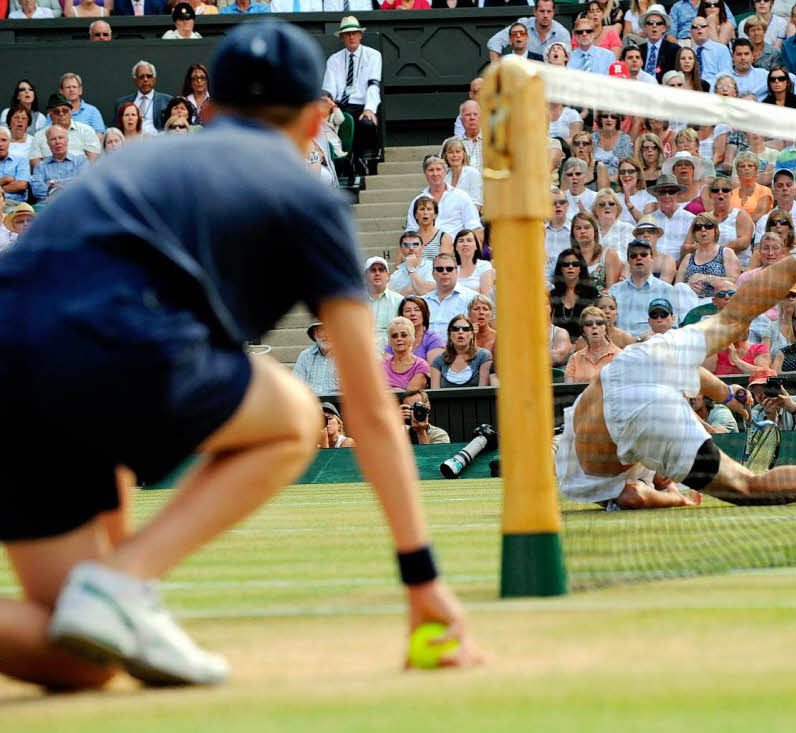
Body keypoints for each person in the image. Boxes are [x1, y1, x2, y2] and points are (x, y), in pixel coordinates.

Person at [0, 21, 484, 690]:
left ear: (206, 109)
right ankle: (118, 583)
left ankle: (117, 589)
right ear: (319, 122)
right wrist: (423, 580)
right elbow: (370, 408)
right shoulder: (309, 198)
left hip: (16, 378)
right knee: (293, 411)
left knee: (78, 657)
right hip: (105, 359)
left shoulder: (126, 161)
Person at [555, 207, 796, 510]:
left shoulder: (584, 481)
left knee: (747, 488)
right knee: (734, 314)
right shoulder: (585, 418)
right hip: (638, 360)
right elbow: (678, 376)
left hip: (635, 414)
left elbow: (636, 494)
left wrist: (675, 500)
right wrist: (726, 395)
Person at [322, 16, 382, 175]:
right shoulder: (334, 60)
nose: (351, 37)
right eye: (347, 34)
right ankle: (347, 160)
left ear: (360, 35)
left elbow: (373, 86)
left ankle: (357, 158)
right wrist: (328, 102)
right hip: (341, 106)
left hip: (362, 104)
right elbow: (329, 89)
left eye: (355, 33)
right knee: (335, 121)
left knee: (366, 123)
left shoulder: (373, 55)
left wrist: (369, 109)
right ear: (342, 37)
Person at [608, 238, 680, 336]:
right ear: (628, 261)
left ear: (652, 258)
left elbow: (673, 327)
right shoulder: (614, 290)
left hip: (653, 344)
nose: (638, 258)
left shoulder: (667, 290)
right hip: (621, 345)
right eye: (633, 256)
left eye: (643, 254)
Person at [406, 156, 482, 242]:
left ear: (445, 172)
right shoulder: (417, 201)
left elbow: (473, 225)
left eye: (438, 169)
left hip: (456, 249)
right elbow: (411, 230)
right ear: (425, 174)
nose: (435, 173)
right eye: (431, 170)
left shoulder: (461, 196)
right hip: (427, 249)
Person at [29, 93, 101, 168]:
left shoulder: (86, 131)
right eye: (56, 111)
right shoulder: (40, 135)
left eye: (65, 110)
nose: (61, 114)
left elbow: (93, 161)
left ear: (70, 112)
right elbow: (35, 163)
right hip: (51, 176)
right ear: (50, 115)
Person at [488, 0, 570, 62]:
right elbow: (494, 42)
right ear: (535, 12)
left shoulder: (562, 33)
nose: (545, 15)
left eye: (549, 12)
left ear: (553, 13)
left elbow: (567, 61)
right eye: (542, 11)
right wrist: (497, 71)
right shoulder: (523, 25)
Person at [755, 169, 796, 243]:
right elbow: (758, 250)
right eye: (779, 186)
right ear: (773, 193)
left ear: (795, 190)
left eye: (789, 185)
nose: (785, 188)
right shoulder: (764, 220)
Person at [430, 314, 492, 389]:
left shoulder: (483, 356)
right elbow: (435, 394)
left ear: (472, 334)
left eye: (465, 329)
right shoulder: (438, 360)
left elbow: (483, 392)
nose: (460, 332)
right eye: (455, 329)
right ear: (449, 334)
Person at [30, 126, 86, 208]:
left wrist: (52, 184)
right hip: (47, 208)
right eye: (53, 139)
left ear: (67, 140)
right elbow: (37, 191)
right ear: (48, 143)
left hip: (75, 206)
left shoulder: (81, 161)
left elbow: (83, 186)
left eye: (61, 138)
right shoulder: (40, 166)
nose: (58, 142)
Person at [112, 61, 171, 137]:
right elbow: (116, 129)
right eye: (141, 77)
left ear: (154, 79)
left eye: (149, 76)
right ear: (135, 80)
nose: (145, 79)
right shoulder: (121, 103)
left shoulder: (167, 100)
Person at [565, 305, 622, 384]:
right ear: (583, 332)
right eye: (589, 324)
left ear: (606, 329)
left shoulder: (621, 356)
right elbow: (568, 390)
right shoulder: (574, 359)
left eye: (599, 323)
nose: (594, 326)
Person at [363, 256, 405, 348]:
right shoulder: (356, 302)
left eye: (381, 270)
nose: (377, 273)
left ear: (388, 275)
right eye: (373, 270)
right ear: (365, 275)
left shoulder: (399, 301)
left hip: (391, 352)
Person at [393, 295, 445, 364]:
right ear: (402, 315)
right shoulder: (396, 339)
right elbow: (385, 367)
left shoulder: (433, 340)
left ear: (424, 314)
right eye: (407, 311)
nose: (412, 314)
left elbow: (432, 371)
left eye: (417, 310)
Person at [382, 316, 430, 391]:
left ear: (412, 339)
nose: (399, 339)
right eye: (394, 336)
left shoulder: (420, 365)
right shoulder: (381, 365)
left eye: (404, 335)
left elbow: (409, 395)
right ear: (390, 341)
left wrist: (390, 391)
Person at [294, 320, 339, 395]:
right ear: (315, 334)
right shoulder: (305, 356)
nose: (326, 335)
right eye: (322, 330)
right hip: (310, 404)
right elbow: (295, 387)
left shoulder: (346, 356)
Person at [440, 136, 482, 213]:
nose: (454, 155)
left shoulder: (473, 173)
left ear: (463, 155)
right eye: (450, 152)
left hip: (468, 219)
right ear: (445, 156)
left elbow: (477, 205)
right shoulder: (444, 176)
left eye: (458, 152)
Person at [389, 231, 435, 297]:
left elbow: (424, 291)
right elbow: (392, 300)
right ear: (401, 249)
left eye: (415, 244)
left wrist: (411, 269)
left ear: (422, 247)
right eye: (406, 245)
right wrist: (410, 290)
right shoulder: (397, 274)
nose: (411, 248)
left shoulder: (433, 266)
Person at [454, 228, 494, 298]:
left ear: (476, 246)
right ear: (456, 247)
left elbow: (485, 295)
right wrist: (476, 291)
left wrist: (459, 293)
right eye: (461, 241)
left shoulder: (484, 265)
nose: (465, 244)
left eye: (469, 241)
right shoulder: (451, 269)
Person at [411, 195, 452, 261]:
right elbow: (398, 267)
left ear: (435, 215)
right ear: (415, 215)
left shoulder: (444, 237)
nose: (425, 212)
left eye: (429, 209)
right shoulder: (408, 239)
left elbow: (445, 266)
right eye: (422, 209)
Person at [0, 126, 30, 210]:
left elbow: (22, 185)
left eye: (4, 140)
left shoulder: (21, 159)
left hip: (14, 204)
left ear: (9, 142)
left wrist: (0, 189)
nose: (0, 144)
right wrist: (5, 180)